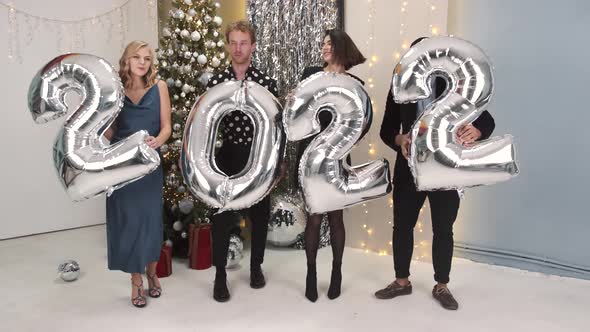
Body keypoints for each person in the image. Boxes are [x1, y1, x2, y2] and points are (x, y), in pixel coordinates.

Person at [374, 37, 496, 310]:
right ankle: (401, 281)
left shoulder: (454, 82)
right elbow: (386, 129)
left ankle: (442, 285)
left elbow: (486, 118)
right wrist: (399, 139)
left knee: (444, 228)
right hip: (410, 169)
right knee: (402, 225)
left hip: (446, 169)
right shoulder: (401, 86)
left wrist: (476, 130)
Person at [206, 20, 279, 302]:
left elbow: (277, 127)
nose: (238, 48)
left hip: (258, 157)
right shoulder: (216, 83)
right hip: (225, 158)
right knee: (221, 217)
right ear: (228, 45)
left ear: (253, 46)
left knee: (260, 216)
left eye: (243, 43)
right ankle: (220, 276)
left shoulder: (266, 83)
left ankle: (256, 267)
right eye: (233, 42)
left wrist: (277, 164)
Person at [297, 29, 366, 302]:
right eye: (323, 43)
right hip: (309, 157)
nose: (324, 47)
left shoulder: (354, 83)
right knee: (313, 218)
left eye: (329, 43)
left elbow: (358, 126)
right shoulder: (310, 74)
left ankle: (336, 272)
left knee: (336, 218)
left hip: (337, 158)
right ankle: (311, 273)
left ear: (341, 47)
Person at [104, 40, 171, 308]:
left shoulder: (160, 87)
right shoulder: (116, 90)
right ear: (127, 61)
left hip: (149, 165)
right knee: (129, 224)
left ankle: (152, 271)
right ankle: (136, 281)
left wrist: (159, 140)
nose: (142, 62)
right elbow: (111, 133)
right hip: (122, 167)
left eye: (147, 58)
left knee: (150, 222)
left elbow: (167, 127)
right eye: (137, 57)